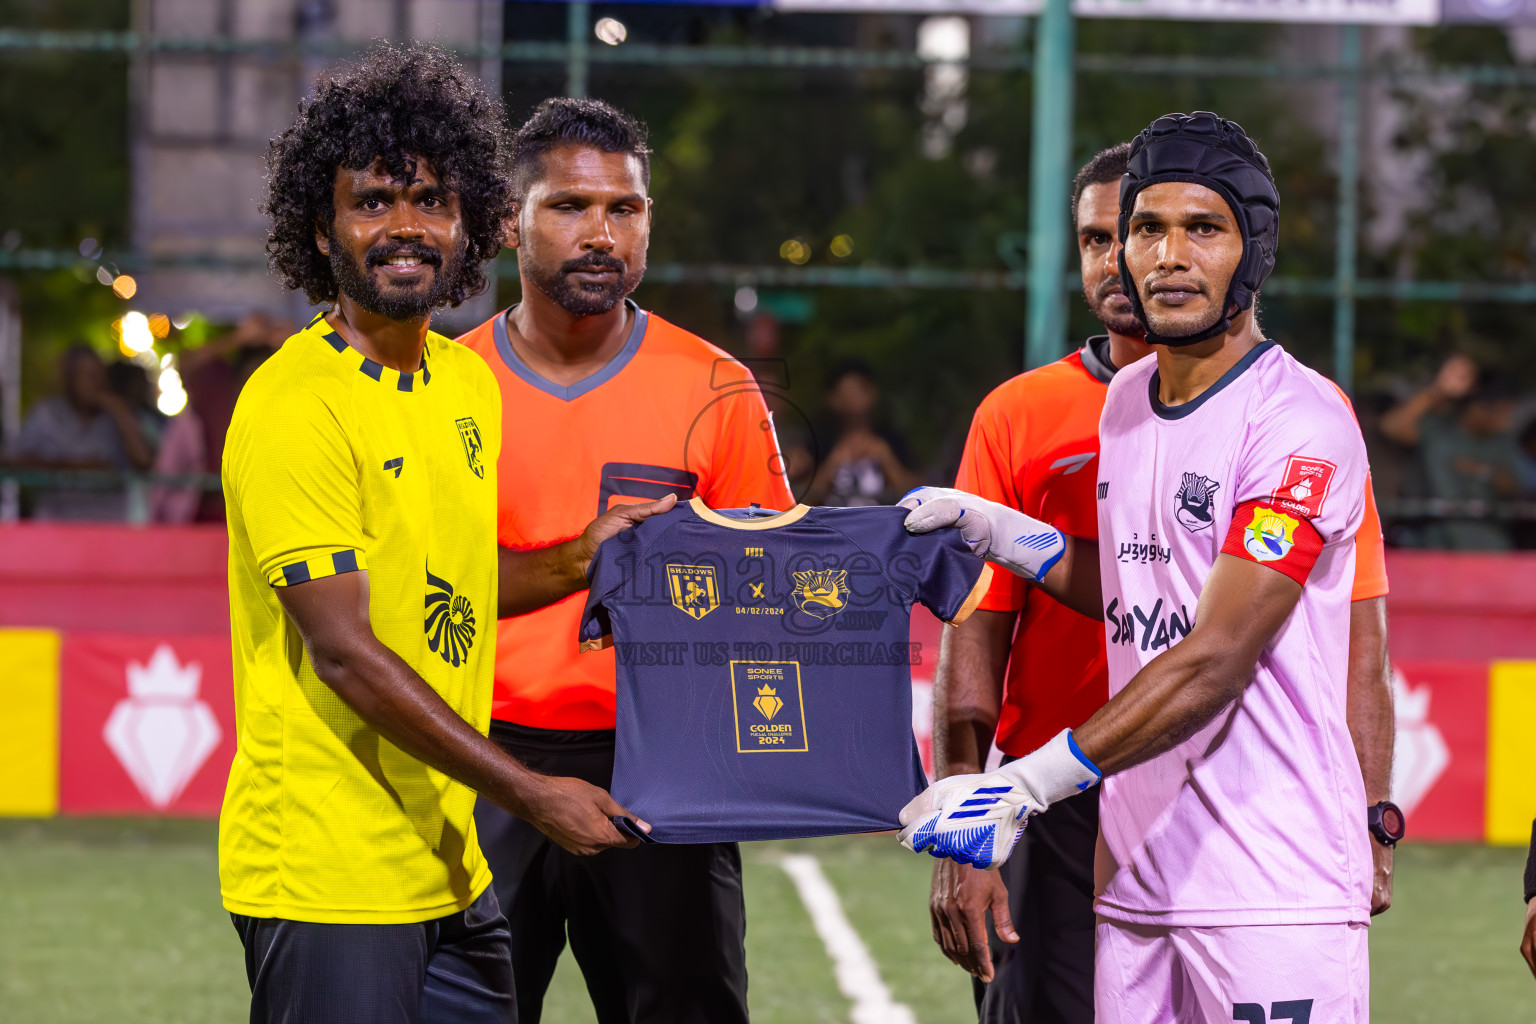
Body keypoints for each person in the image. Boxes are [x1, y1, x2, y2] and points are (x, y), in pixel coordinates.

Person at [221, 45, 668, 1024]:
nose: (406, 226)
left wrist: (581, 555)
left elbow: (453, 580)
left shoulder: (464, 382)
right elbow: (344, 651)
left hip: (448, 869)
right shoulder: (294, 405)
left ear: (470, 224)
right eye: (373, 202)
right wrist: (532, 792)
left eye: (431, 200)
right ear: (321, 227)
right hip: (330, 873)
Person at [901, 113, 1381, 1021]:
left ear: (1254, 250)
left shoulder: (1301, 424)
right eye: (1146, 229)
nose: (1167, 255)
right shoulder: (1127, 400)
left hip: (1267, 885)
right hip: (1131, 876)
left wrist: (1024, 783)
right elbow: (1138, 585)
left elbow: (1215, 654)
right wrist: (1010, 535)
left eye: (1202, 229)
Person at [456, 98, 791, 1024]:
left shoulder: (716, 388)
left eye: (625, 209)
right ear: (506, 224)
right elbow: (420, 592)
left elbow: (766, 592)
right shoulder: (446, 390)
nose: (601, 232)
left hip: (665, 771)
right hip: (487, 761)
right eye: (569, 207)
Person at [1380, 353, 1520, 549]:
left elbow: (1513, 486)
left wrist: (1483, 471)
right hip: (1431, 546)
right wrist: (1438, 391)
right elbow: (1392, 427)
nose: (1508, 421)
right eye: (1503, 412)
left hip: (1486, 548)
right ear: (1480, 408)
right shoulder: (1436, 431)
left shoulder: (1500, 444)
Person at [6, 343, 154, 520]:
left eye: (99, 374)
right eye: (87, 375)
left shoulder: (117, 416)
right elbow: (13, 461)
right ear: (69, 379)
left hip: (109, 524)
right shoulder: (46, 414)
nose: (95, 382)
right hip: (55, 522)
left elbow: (144, 461)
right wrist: (73, 468)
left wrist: (119, 409)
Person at [805, 358, 921, 506]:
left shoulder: (893, 440)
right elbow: (804, 499)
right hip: (833, 525)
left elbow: (918, 495)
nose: (853, 398)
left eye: (858, 389)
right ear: (832, 399)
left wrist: (887, 460)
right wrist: (833, 463)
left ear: (873, 392)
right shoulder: (820, 442)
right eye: (845, 392)